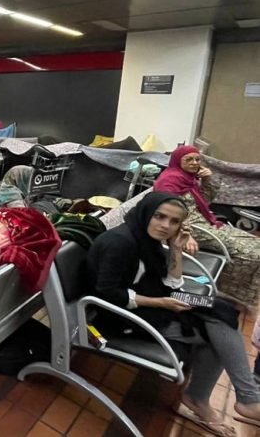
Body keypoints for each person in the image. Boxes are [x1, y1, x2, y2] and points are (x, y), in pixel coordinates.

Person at [87, 191, 260, 436]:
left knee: (224, 311)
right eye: (159, 216)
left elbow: (172, 284)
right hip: (122, 315)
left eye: (174, 221)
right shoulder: (120, 243)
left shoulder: (148, 241)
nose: (165, 225)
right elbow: (107, 294)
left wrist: (176, 250)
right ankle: (224, 399)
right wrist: (161, 303)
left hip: (156, 299)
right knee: (216, 335)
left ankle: (236, 397)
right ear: (147, 213)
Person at [154, 145, 260, 307]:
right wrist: (185, 233)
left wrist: (208, 179)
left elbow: (205, 201)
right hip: (193, 229)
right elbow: (165, 213)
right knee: (253, 254)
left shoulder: (188, 179)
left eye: (197, 159)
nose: (194, 163)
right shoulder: (168, 182)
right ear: (177, 161)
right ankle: (232, 292)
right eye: (189, 159)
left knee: (257, 244)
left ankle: (238, 292)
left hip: (205, 223)